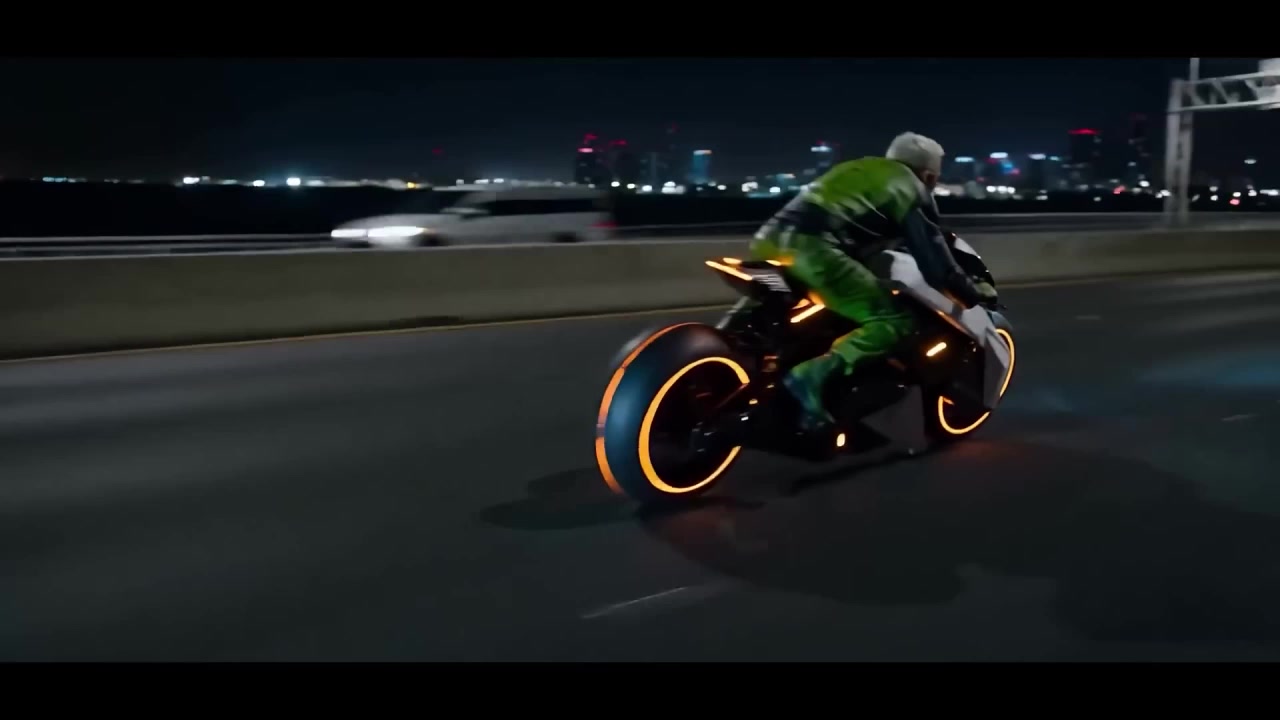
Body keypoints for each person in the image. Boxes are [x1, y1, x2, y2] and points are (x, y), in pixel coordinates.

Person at [746, 131, 996, 427]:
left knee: (774, 310)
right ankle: (809, 377)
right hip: (814, 252)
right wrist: (970, 293)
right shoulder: (912, 189)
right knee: (893, 320)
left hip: (768, 241)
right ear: (929, 175)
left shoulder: (859, 168)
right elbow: (937, 265)